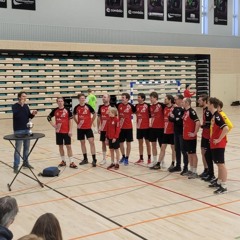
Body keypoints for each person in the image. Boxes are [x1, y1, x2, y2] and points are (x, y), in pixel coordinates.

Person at [47, 97, 77, 169]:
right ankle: (63, 161)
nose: (60, 102)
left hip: (66, 131)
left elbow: (71, 119)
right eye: (59, 101)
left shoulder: (67, 110)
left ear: (63, 102)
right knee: (60, 146)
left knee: (68, 146)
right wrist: (53, 125)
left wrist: (70, 130)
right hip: (58, 132)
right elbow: (48, 117)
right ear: (57, 102)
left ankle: (71, 162)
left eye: (61, 101)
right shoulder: (55, 110)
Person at [12, 91, 37, 173]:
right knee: (18, 149)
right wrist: (21, 105)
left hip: (26, 129)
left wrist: (33, 114)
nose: (25, 98)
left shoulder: (26, 106)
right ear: (19, 97)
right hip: (18, 130)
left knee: (26, 148)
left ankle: (25, 163)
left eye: (25, 96)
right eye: (23, 96)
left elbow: (28, 116)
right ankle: (16, 166)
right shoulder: (15, 106)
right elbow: (16, 114)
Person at [208, 98, 229, 194]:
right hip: (214, 144)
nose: (207, 105)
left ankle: (224, 186)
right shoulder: (214, 115)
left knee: (221, 164)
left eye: (208, 103)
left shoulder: (217, 116)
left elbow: (226, 128)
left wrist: (219, 139)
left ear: (212, 105)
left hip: (219, 144)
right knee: (218, 164)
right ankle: (219, 182)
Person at [150, 95, 176, 170]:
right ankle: (158, 163)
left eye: (166, 99)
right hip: (165, 131)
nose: (164, 100)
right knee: (163, 148)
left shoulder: (174, 108)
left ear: (170, 100)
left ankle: (173, 163)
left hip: (172, 132)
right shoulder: (164, 107)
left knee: (173, 148)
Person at [73, 94, 97, 167]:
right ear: (79, 99)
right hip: (80, 128)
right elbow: (73, 115)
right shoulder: (76, 107)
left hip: (88, 128)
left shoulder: (88, 106)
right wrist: (77, 122)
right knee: (82, 143)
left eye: (84, 98)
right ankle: (85, 159)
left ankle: (94, 159)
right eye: (81, 98)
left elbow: (95, 114)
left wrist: (91, 122)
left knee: (91, 142)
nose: (83, 99)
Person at [168, 94, 188, 174]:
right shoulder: (175, 109)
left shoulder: (184, 110)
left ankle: (185, 167)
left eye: (175, 99)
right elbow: (170, 118)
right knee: (177, 149)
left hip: (182, 133)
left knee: (183, 150)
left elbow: (181, 121)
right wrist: (175, 119)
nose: (174, 101)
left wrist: (175, 119)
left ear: (180, 100)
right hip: (175, 132)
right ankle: (178, 165)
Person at [182, 98, 200, 179]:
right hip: (185, 136)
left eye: (183, 102)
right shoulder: (185, 111)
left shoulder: (192, 112)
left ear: (187, 103)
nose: (182, 103)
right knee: (189, 153)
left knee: (193, 153)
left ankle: (195, 172)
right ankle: (191, 170)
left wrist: (194, 133)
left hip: (191, 137)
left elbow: (198, 122)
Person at [117, 93, 136, 166]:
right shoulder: (119, 105)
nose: (122, 98)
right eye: (122, 97)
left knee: (128, 143)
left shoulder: (131, 106)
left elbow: (136, 112)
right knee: (121, 143)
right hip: (121, 127)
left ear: (127, 99)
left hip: (128, 127)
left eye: (123, 97)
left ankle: (127, 158)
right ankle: (123, 156)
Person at [198, 94, 213, 180]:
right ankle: (206, 170)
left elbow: (209, 124)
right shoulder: (204, 110)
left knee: (207, 154)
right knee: (203, 152)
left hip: (208, 136)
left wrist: (201, 126)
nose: (198, 102)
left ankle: (210, 172)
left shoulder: (208, 111)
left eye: (200, 100)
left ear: (205, 101)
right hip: (204, 135)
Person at [148, 92, 165, 167]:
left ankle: (162, 160)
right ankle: (154, 161)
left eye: (151, 98)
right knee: (153, 145)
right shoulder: (150, 107)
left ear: (155, 98)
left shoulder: (161, 105)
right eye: (150, 98)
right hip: (152, 128)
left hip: (161, 128)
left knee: (161, 145)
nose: (150, 100)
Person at [134, 93, 151, 165]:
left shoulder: (147, 106)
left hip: (146, 127)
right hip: (139, 127)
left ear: (143, 98)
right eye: (137, 97)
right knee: (140, 143)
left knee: (147, 143)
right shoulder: (136, 106)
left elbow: (151, 115)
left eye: (139, 97)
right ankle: (141, 158)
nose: (138, 98)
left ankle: (149, 158)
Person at [97, 94, 111, 165]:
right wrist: (98, 127)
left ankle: (113, 160)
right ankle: (104, 159)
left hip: (110, 129)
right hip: (103, 128)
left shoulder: (112, 107)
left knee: (112, 144)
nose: (103, 98)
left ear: (108, 98)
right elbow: (99, 117)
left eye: (105, 97)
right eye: (103, 97)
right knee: (103, 143)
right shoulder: (100, 107)